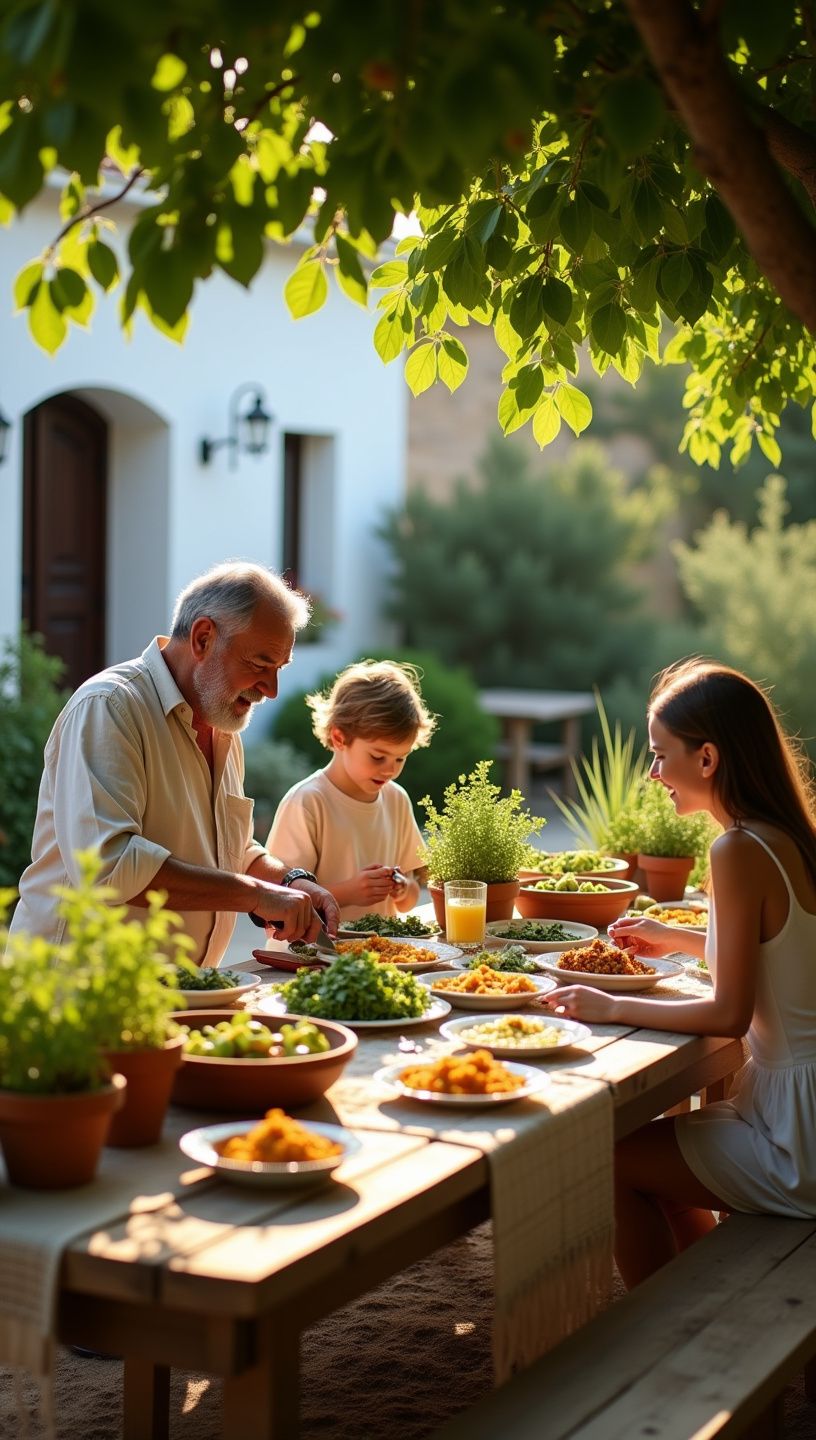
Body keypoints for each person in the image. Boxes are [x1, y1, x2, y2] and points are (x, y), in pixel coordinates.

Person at [544, 658, 816, 1288]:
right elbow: (785, 955)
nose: (654, 772)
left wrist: (608, 1007)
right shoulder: (789, 837)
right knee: (656, 1161)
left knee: (612, 1159)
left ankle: (668, 1343)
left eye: (661, 755)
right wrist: (677, 937)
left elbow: (729, 1014)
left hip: (797, 1136)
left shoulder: (738, 849)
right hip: (797, 1103)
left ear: (709, 758)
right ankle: (702, 1309)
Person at [11, 561, 340, 963]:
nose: (271, 690)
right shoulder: (111, 706)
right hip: (81, 1001)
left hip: (182, 996)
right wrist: (256, 895)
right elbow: (109, 868)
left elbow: (227, 850)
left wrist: (288, 881)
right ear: (203, 638)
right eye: (259, 664)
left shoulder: (221, 723)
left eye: (279, 669)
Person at [266, 659, 435, 921]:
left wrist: (402, 888)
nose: (390, 770)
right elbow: (280, 901)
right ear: (339, 738)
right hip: (307, 958)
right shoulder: (308, 802)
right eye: (378, 757)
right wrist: (349, 893)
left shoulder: (396, 799)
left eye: (400, 758)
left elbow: (410, 899)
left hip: (374, 955)